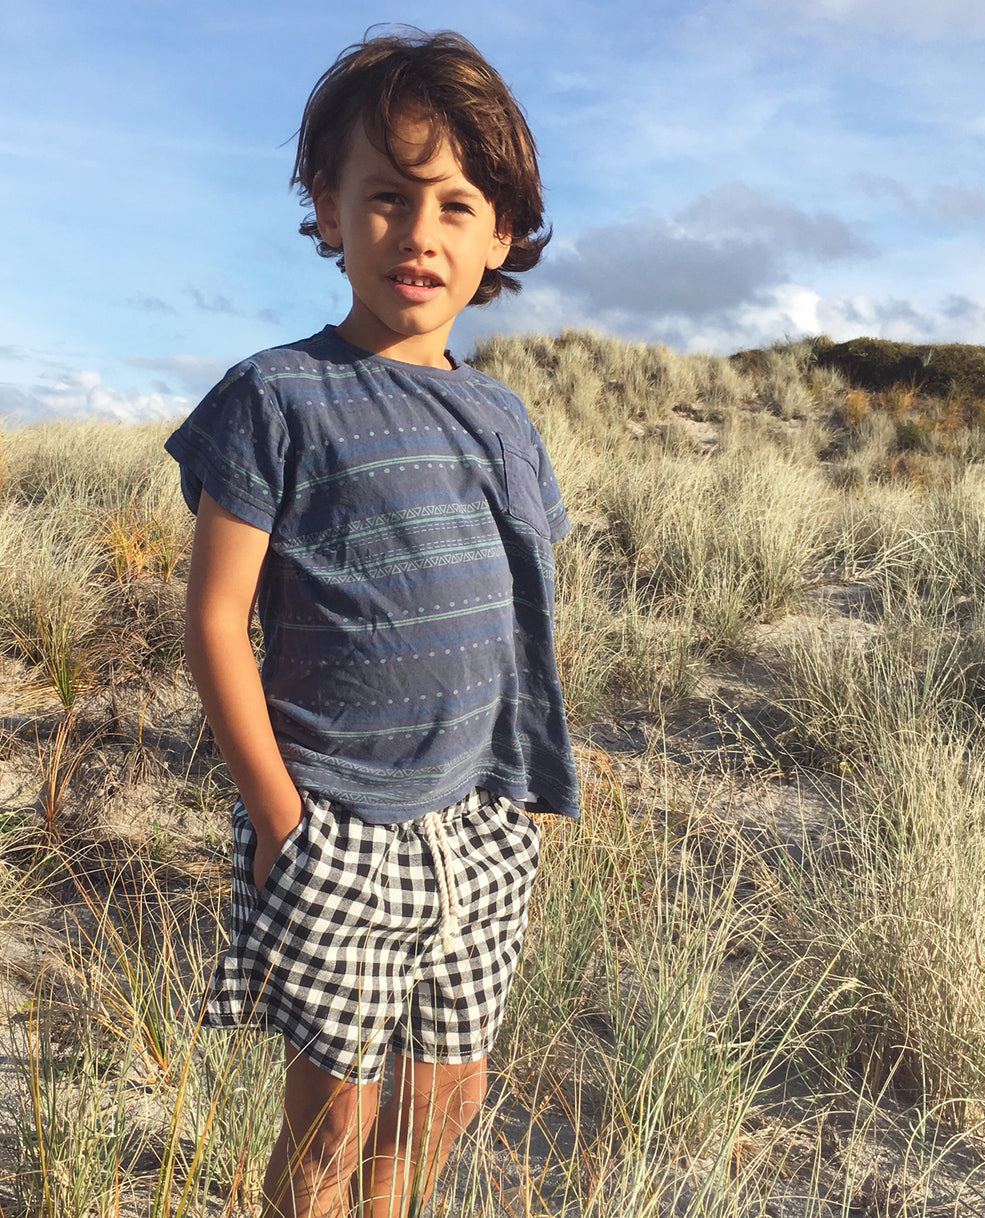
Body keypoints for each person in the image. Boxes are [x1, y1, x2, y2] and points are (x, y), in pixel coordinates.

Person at [166, 27, 578, 1218]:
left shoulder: (505, 418)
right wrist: (278, 819)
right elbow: (213, 617)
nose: (420, 233)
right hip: (338, 824)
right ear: (328, 208)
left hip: (483, 827)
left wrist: (523, 793)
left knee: (448, 1090)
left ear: (499, 234)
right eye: (387, 198)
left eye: (456, 204)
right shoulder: (277, 396)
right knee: (333, 1114)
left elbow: (515, 618)